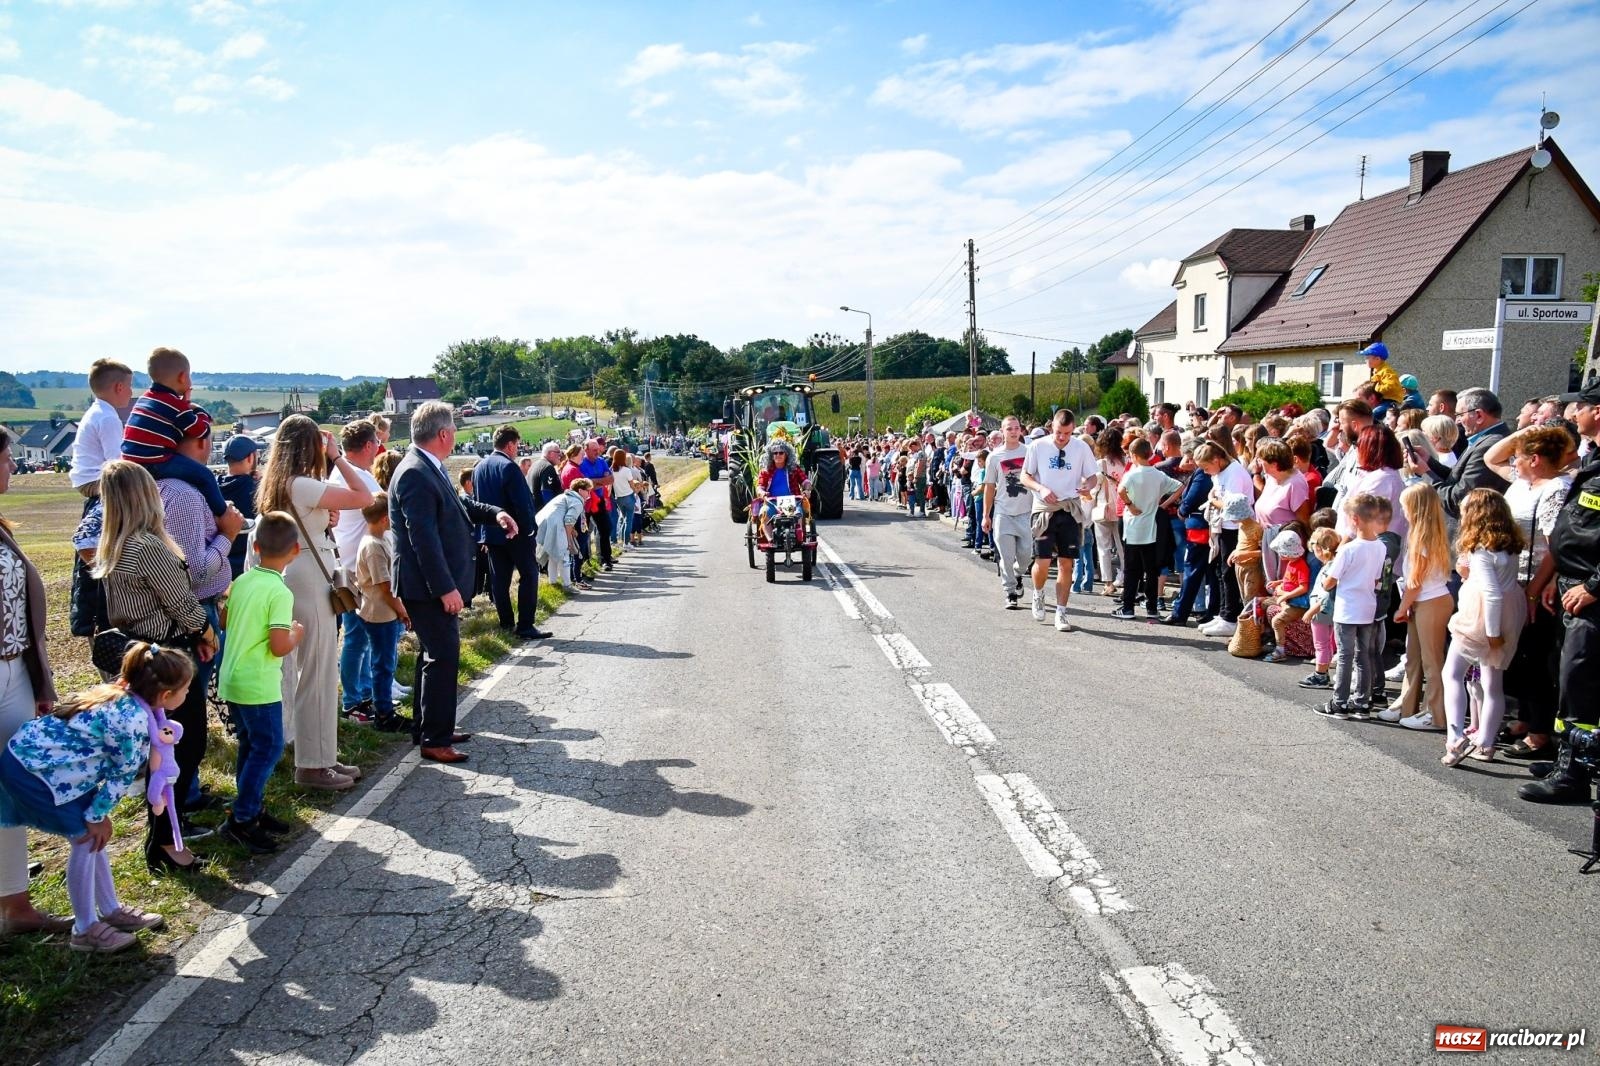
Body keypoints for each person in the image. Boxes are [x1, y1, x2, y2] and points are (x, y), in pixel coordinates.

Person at [0, 642, 183, 953]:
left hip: (43, 764)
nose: (188, 694)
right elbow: (120, 778)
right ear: (165, 695)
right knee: (86, 838)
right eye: (186, 689)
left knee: (94, 837)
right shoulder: (133, 723)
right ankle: (85, 929)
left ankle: (110, 910)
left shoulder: (124, 696)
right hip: (34, 773)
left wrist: (97, 815)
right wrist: (97, 816)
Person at [94, 461, 217, 872]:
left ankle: (166, 831)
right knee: (182, 747)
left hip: (144, 654)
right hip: (167, 655)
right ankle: (165, 840)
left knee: (163, 752)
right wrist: (207, 633)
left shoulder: (114, 545)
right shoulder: (147, 546)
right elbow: (181, 602)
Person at [389, 401, 517, 765]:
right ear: (444, 434)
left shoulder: (427, 465)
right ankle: (435, 738)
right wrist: (444, 587)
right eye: (455, 430)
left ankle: (429, 728)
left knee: (434, 655)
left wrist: (496, 513)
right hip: (426, 586)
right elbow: (423, 539)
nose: (456, 436)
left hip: (428, 584)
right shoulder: (415, 472)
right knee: (443, 656)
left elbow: (460, 506)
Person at [255, 416, 373, 790]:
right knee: (318, 673)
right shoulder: (302, 485)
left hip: (300, 574)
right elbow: (364, 497)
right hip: (309, 579)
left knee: (315, 671)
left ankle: (322, 756)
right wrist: (337, 457)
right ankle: (312, 764)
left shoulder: (281, 485)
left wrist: (326, 518)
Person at [0, 427, 70, 936]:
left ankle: (16, 905)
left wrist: (40, 680)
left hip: (14, 670)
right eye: (6, 459)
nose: (11, 467)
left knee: (15, 783)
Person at [1521, 380, 1600, 802]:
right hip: (1571, 586)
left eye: (1580, 407)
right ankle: (1567, 760)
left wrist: (1594, 585)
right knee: (1567, 680)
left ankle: (1574, 776)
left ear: (1597, 411)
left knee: (1580, 683)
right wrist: (1558, 576)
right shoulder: (1593, 459)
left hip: (1591, 596)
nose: (1573, 415)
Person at [1484, 426, 1573, 759]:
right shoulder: (1522, 482)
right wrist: (1526, 431)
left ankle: (1539, 732)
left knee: (1534, 659)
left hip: (1535, 583)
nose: (1513, 461)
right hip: (1513, 581)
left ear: (1534, 459)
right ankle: (1524, 719)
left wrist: (1534, 590)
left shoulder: (1554, 489)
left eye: (1519, 457)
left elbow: (1556, 546)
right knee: (1518, 657)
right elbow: (1492, 457)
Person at [217, 512, 304, 854]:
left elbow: (224, 619)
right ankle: (243, 817)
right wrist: (295, 634)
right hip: (259, 684)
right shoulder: (280, 592)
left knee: (250, 744)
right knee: (269, 747)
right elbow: (279, 646)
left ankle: (250, 805)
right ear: (295, 550)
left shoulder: (242, 581)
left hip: (233, 678)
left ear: (254, 547)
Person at [1441, 489, 1527, 766]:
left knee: (1452, 673)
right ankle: (1486, 744)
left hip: (1481, 615)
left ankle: (1455, 737)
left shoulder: (1481, 550)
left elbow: (1491, 594)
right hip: (1510, 611)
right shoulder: (1509, 546)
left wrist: (1492, 633)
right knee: (1493, 684)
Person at [120, 347, 229, 517]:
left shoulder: (144, 399)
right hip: (155, 461)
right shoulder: (175, 405)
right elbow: (201, 430)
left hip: (131, 461)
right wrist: (200, 412)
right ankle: (223, 513)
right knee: (205, 476)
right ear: (182, 377)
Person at [1381, 483, 1453, 730]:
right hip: (1422, 601)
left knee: (1432, 661)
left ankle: (1435, 714)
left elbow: (1415, 581)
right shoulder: (1419, 534)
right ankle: (1407, 705)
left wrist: (1402, 607)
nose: (1402, 511)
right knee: (1413, 658)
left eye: (1405, 507)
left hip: (1431, 601)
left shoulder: (1423, 538)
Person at [1020, 409, 1099, 633]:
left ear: (1073, 430)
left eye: (1067, 433)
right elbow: (1025, 476)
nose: (1062, 437)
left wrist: (1088, 486)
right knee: (1043, 560)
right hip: (1044, 509)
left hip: (1069, 508)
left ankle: (1061, 611)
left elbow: (1092, 476)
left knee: (1067, 563)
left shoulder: (1081, 447)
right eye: (1058, 432)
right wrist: (1041, 488)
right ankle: (1038, 593)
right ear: (1051, 428)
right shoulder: (1038, 446)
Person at [1315, 493, 1391, 720]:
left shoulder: (1348, 550)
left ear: (1355, 519)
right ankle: (1362, 702)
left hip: (1347, 609)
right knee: (1363, 655)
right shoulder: (1380, 547)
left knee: (1345, 656)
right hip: (1367, 607)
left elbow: (1330, 581)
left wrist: (1327, 583)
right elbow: (1376, 578)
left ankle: (1339, 702)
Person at [328, 420, 385, 722]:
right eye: (376, 443)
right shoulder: (359, 477)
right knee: (357, 638)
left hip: (351, 565)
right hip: (357, 570)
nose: (378, 448)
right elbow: (383, 511)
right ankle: (353, 700)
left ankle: (362, 693)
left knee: (359, 638)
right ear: (368, 445)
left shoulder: (345, 473)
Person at [473, 426, 547, 640]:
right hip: (515, 532)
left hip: (491, 532)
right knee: (529, 575)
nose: (518, 449)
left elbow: (477, 502)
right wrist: (530, 529)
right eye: (517, 445)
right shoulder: (509, 467)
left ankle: (506, 623)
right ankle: (525, 624)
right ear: (510, 444)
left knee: (499, 580)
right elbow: (522, 503)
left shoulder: (479, 467)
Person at [351, 495, 411, 733]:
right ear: (385, 518)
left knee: (384, 660)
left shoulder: (379, 539)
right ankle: (384, 713)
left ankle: (383, 705)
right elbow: (385, 587)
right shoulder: (373, 547)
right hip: (380, 613)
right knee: (383, 664)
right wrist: (402, 610)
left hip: (383, 611)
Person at [1112, 438, 1181, 620]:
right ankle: (1152, 607)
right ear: (1150, 454)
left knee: (1132, 570)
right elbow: (1180, 486)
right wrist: (1164, 504)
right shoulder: (1158, 474)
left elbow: (1121, 490)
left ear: (1133, 455)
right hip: (1152, 528)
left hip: (1134, 527)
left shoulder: (1132, 474)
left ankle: (1128, 607)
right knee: (1152, 571)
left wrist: (1130, 504)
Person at [1426, 387, 1510, 521]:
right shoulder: (1483, 439)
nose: (1457, 421)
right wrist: (1428, 461)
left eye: (1460, 415)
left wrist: (1425, 473)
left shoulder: (1490, 445)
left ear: (1479, 415)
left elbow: (1458, 500)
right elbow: (1457, 477)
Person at [982, 416, 1032, 609]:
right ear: (1002, 432)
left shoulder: (1029, 452)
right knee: (1006, 557)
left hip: (1026, 512)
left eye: (1016, 428)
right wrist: (986, 515)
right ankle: (1010, 592)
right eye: (1009, 428)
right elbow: (989, 487)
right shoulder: (994, 456)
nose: (1013, 431)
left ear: (1021, 430)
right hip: (1003, 512)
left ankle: (1018, 574)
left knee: (1026, 555)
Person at [1261, 527, 1312, 663]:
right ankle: (1266, 637)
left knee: (1277, 621)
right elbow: (1289, 579)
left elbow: (1303, 587)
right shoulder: (1291, 563)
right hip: (1287, 599)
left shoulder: (1301, 565)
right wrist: (1278, 582)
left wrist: (1286, 596)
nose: (1280, 555)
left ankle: (1280, 650)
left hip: (1297, 604)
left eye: (1282, 553)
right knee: (1263, 603)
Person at [535, 478, 592, 589]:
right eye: (588, 491)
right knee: (564, 554)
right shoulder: (577, 502)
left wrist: (572, 530)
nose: (589, 494)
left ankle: (553, 582)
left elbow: (564, 516)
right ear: (580, 490)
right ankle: (567, 585)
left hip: (542, 523)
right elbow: (568, 521)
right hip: (555, 526)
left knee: (553, 554)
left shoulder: (565, 496)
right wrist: (569, 541)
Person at [218, 434, 261, 580]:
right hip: (249, 565)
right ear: (250, 458)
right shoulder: (256, 489)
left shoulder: (213, 487)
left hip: (220, 564)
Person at [1092, 428, 1128, 599]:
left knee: (1103, 547)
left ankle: (1108, 583)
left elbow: (1094, 487)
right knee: (1123, 547)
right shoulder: (1126, 461)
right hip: (1123, 508)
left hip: (1104, 507)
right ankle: (1126, 578)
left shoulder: (1101, 464)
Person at [577, 440, 616, 572]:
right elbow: (586, 485)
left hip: (599, 500)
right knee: (584, 531)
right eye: (594, 450)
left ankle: (605, 559)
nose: (597, 452)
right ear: (586, 450)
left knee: (606, 528)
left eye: (598, 450)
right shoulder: (582, 463)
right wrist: (601, 481)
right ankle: (585, 561)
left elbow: (611, 479)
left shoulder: (601, 461)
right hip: (586, 502)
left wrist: (594, 482)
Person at [526, 441, 564, 512]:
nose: (560, 455)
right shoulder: (548, 467)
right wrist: (552, 512)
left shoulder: (535, 464)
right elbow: (546, 492)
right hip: (544, 511)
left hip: (534, 510)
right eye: (558, 452)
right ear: (551, 453)